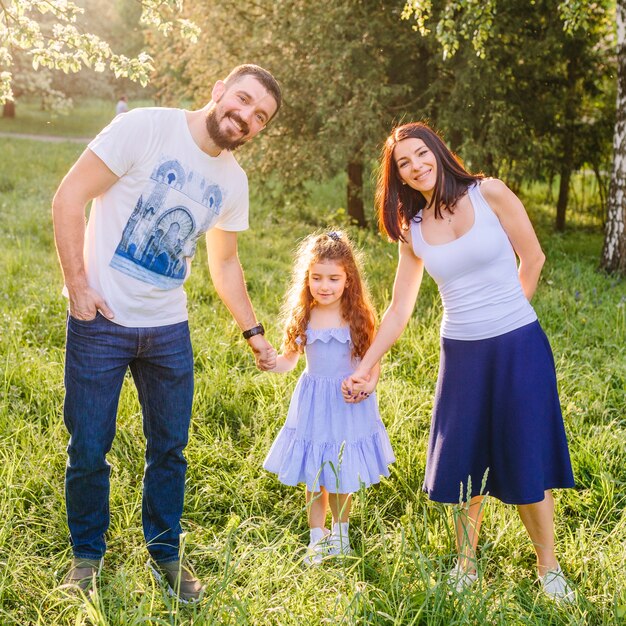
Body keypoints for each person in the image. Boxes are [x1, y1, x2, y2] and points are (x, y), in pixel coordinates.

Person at [52, 64, 282, 602]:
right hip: (100, 323)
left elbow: (224, 266)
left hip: (167, 330)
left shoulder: (233, 182)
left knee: (171, 449)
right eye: (243, 100)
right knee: (88, 446)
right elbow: (68, 197)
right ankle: (87, 555)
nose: (245, 116)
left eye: (259, 117)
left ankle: (166, 553)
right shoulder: (145, 128)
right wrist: (78, 288)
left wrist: (254, 333)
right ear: (219, 89)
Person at [342, 122, 575, 601]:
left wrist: (509, 313)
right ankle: (466, 567)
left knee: (526, 458)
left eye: (421, 154)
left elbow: (532, 258)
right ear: (399, 176)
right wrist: (366, 364)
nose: (416, 166)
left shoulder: (489, 192)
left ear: (438, 152)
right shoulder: (415, 229)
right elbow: (399, 307)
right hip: (462, 353)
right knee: (466, 462)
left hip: (518, 346)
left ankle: (548, 570)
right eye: (404, 163)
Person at [263, 231, 395, 565]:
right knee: (314, 470)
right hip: (314, 401)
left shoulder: (359, 315)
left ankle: (340, 534)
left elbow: (372, 360)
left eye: (334, 278)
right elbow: (289, 360)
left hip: (348, 401)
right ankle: (316, 536)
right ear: (306, 279)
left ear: (348, 279)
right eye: (317, 278)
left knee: (340, 469)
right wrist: (271, 363)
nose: (325, 286)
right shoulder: (304, 315)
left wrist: (367, 385)